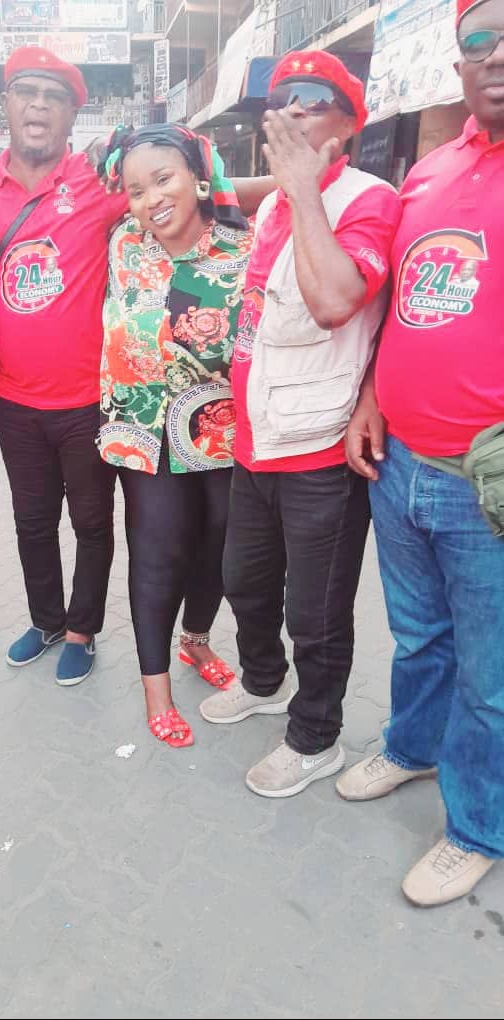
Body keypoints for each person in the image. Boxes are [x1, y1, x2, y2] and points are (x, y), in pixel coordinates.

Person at [0, 46, 275, 689]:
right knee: (32, 523)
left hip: (95, 405)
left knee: (96, 525)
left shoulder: (100, 190)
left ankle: (83, 631)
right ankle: (46, 620)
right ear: (4, 103)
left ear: (72, 114)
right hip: (20, 401)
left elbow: (189, 189)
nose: (38, 107)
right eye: (26, 92)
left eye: (54, 97)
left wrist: (300, 183)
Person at [337, 0, 504, 906]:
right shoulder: (430, 171)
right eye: (481, 41)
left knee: (493, 675)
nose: (498, 56)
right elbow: (400, 305)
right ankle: (412, 746)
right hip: (400, 462)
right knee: (420, 636)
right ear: (459, 64)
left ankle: (477, 825)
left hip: (487, 484)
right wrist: (371, 397)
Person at [199, 51, 402, 796]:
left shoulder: (367, 200)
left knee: (313, 613)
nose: (289, 112)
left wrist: (305, 190)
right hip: (255, 438)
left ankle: (316, 737)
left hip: (320, 448)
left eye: (312, 102)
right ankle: (263, 681)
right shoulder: (274, 205)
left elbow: (335, 301)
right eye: (280, 99)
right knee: (243, 583)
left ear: (348, 126)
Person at [98, 124, 254, 747]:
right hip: (142, 427)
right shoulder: (122, 242)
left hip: (218, 428)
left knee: (218, 548)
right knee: (157, 553)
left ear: (197, 177)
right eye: (136, 190)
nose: (151, 200)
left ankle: (196, 640)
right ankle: (155, 689)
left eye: (164, 179)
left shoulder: (243, 248)